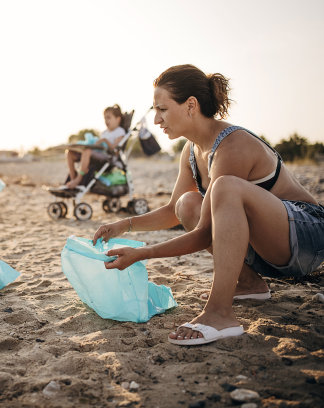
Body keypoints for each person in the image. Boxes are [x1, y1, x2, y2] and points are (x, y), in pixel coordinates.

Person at [92, 64, 324, 346]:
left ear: (191, 105)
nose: (156, 120)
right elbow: (172, 211)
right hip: (267, 248)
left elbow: (205, 233)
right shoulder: (191, 150)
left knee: (225, 187)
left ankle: (219, 313)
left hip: (306, 238)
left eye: (162, 109)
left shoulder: (232, 145)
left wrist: (141, 254)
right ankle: (250, 284)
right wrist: (122, 225)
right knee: (188, 203)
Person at [65, 104, 128, 189]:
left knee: (87, 152)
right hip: (97, 154)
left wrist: (105, 141)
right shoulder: (104, 132)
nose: (106, 121)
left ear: (118, 119)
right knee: (70, 153)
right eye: (105, 118)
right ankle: (73, 179)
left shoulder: (120, 131)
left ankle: (78, 179)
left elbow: (114, 149)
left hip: (108, 158)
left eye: (109, 118)